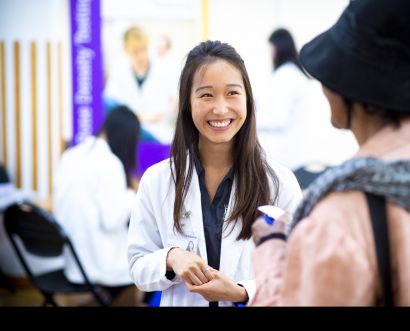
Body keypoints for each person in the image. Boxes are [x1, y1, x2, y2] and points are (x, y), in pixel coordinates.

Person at [249, 0, 410, 306]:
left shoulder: (339, 218)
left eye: (331, 74)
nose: (324, 85)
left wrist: (271, 247)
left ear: (351, 88)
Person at [127, 40, 302, 307]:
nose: (220, 109)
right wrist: (171, 257)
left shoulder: (279, 183)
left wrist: (242, 292)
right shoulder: (157, 181)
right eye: (206, 95)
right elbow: (138, 266)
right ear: (187, 102)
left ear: (248, 99)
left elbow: (297, 273)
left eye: (232, 93)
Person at [53, 106, 141, 303]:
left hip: (72, 261)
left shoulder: (71, 154)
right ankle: (109, 296)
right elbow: (111, 221)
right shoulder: (109, 163)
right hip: (98, 262)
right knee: (146, 261)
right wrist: (133, 194)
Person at [256, 28, 318, 171]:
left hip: (284, 160)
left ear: (277, 48)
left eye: (270, 48)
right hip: (294, 157)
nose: (270, 54)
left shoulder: (285, 76)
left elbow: (278, 118)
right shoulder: (294, 74)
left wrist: (247, 118)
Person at [104, 26, 177, 143]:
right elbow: (112, 107)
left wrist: (168, 109)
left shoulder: (164, 70)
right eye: (135, 51)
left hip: (160, 135)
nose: (141, 55)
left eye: (144, 49)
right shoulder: (119, 74)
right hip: (128, 137)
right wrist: (137, 117)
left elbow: (173, 104)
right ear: (126, 50)